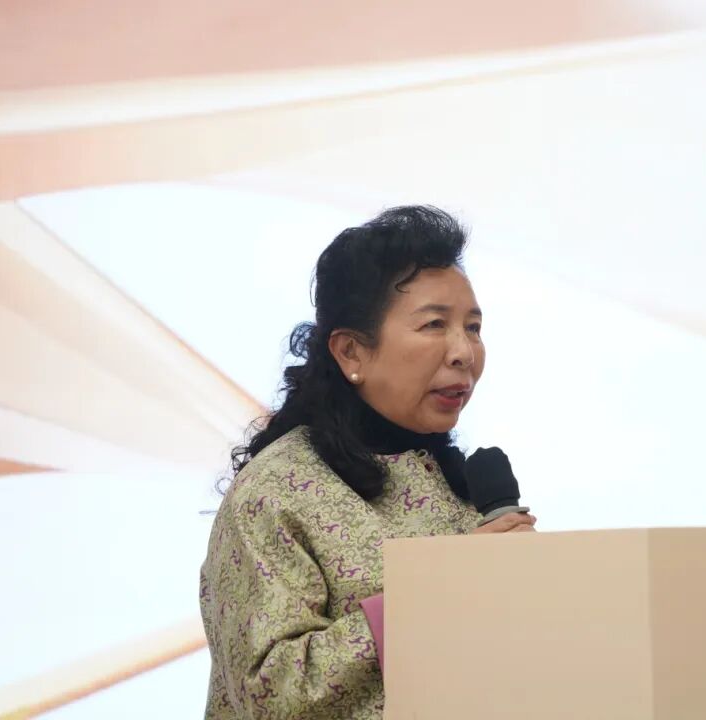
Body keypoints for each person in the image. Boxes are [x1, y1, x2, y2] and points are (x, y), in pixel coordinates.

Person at [199, 206, 536, 719]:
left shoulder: (458, 483)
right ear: (351, 352)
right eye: (434, 324)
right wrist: (441, 589)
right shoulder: (275, 492)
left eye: (473, 327)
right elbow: (271, 694)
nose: (464, 352)